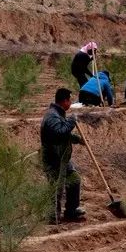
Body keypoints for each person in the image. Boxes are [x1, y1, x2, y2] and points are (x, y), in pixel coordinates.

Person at [41, 88, 85, 223]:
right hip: (53, 159)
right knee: (56, 187)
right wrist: (71, 121)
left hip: (62, 158)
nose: (70, 103)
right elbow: (60, 132)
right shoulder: (52, 116)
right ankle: (53, 216)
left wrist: (76, 139)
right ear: (65, 100)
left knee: (74, 179)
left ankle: (71, 211)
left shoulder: (58, 114)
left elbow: (61, 135)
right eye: (70, 100)